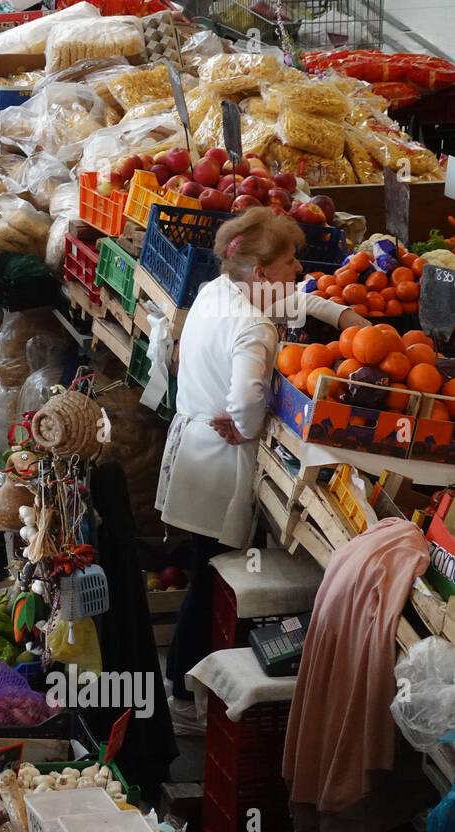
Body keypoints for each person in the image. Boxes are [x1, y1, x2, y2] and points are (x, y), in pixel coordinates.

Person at [154, 207, 368, 715]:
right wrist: (246, 425)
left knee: (205, 566)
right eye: (291, 260)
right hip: (221, 462)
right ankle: (185, 694)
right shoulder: (253, 326)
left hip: (192, 447)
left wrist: (340, 315)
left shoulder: (217, 292)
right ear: (262, 272)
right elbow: (248, 398)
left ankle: (183, 685)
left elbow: (294, 299)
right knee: (213, 576)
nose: (298, 268)